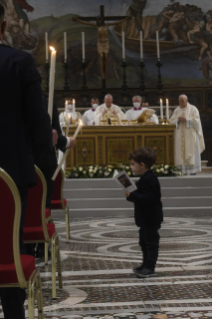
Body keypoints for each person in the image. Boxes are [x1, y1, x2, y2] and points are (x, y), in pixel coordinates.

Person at [0, 4, 55, 318]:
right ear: (4, 26)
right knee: (11, 245)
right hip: (11, 173)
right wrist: (46, 172)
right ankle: (12, 312)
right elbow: (38, 123)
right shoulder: (18, 62)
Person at [124, 147, 163, 278]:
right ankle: (145, 264)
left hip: (151, 218)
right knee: (144, 242)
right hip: (145, 218)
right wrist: (131, 194)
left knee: (151, 243)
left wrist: (132, 195)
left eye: (133, 164)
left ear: (142, 165)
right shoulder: (144, 178)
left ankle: (150, 267)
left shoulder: (150, 179)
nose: (131, 167)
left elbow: (147, 198)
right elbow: (142, 197)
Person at [169, 94, 205, 175]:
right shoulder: (176, 110)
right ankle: (181, 171)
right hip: (179, 136)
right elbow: (171, 121)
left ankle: (192, 171)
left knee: (190, 152)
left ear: (187, 101)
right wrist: (177, 121)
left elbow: (197, 122)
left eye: (182, 101)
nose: (181, 103)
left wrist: (187, 120)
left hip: (190, 136)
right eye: (180, 101)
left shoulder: (193, 109)